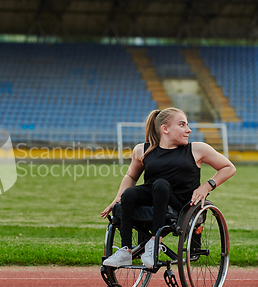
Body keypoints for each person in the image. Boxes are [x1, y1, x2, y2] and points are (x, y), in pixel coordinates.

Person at [100, 107, 235, 268]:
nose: (188, 130)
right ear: (165, 129)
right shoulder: (142, 150)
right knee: (129, 194)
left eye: (187, 125)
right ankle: (125, 250)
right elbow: (131, 176)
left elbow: (228, 168)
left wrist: (206, 186)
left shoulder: (197, 149)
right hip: (154, 196)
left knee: (161, 184)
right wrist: (118, 198)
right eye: (182, 125)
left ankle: (154, 243)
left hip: (181, 204)